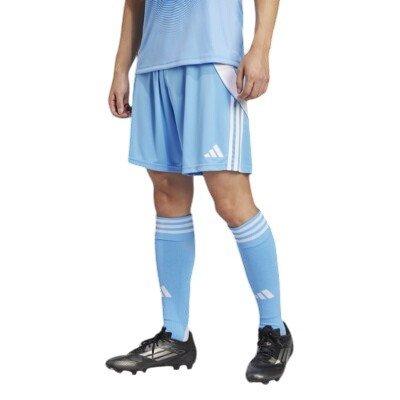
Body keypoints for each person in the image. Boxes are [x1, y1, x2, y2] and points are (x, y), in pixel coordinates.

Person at [106, 0, 293, 384]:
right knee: (167, 198)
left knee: (231, 200)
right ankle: (175, 335)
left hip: (211, 61)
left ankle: (275, 330)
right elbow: (134, 4)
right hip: (154, 65)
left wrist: (260, 48)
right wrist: (121, 69)